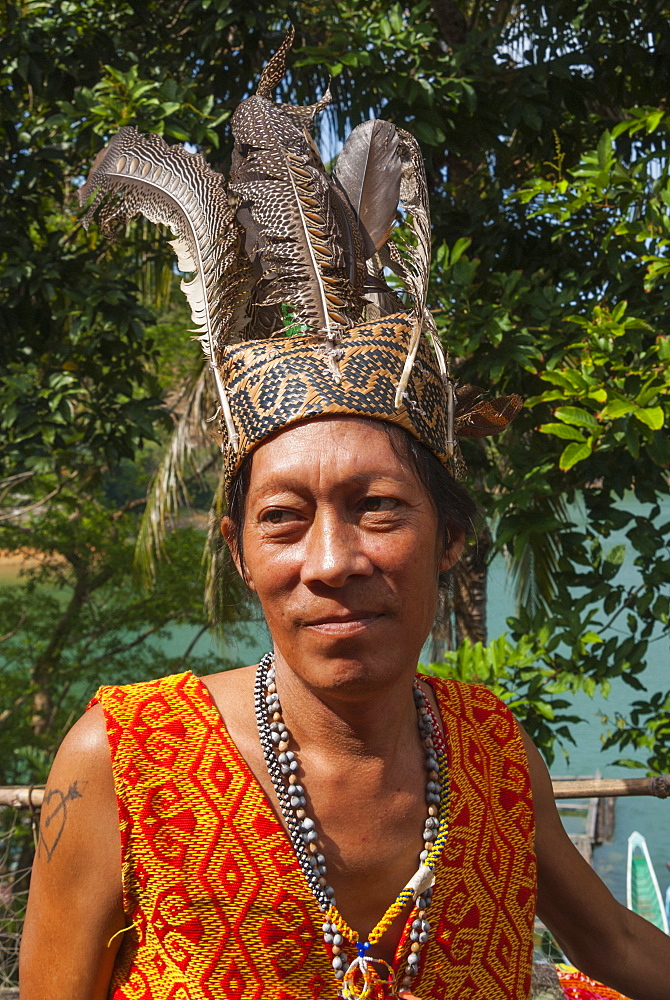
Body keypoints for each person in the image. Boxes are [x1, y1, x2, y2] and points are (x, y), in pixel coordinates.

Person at [19, 31, 670, 1000]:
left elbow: (614, 948)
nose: (331, 560)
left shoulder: (488, 749)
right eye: (283, 518)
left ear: (450, 538)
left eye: (377, 508)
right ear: (238, 549)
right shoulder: (126, 757)